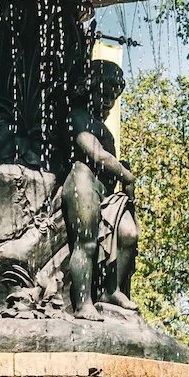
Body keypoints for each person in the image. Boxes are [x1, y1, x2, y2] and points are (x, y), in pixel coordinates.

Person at [62, 59, 139, 318]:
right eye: (104, 93)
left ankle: (111, 290)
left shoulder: (101, 124)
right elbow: (95, 153)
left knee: (129, 234)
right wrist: (125, 174)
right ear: (88, 88)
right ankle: (83, 303)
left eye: (113, 97)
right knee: (87, 243)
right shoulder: (77, 116)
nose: (108, 102)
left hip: (106, 190)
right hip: (83, 182)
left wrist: (120, 170)